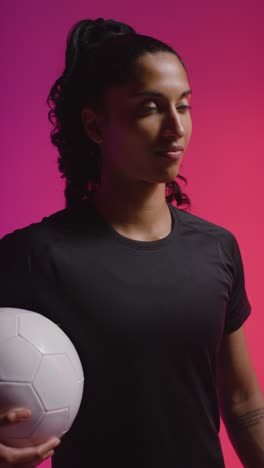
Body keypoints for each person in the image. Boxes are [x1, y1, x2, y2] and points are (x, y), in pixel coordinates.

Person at [0, 17, 263, 468]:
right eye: (149, 108)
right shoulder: (33, 255)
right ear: (95, 126)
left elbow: (241, 402)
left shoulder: (217, 248)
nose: (175, 127)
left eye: (184, 105)